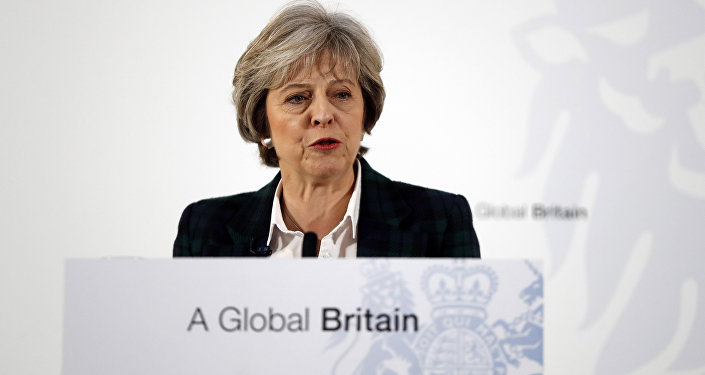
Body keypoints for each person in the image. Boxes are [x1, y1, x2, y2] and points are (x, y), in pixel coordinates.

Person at [173, 1, 480, 258]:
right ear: (261, 119)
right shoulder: (203, 230)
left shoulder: (439, 221)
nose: (322, 115)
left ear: (365, 111)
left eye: (342, 94)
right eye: (297, 98)